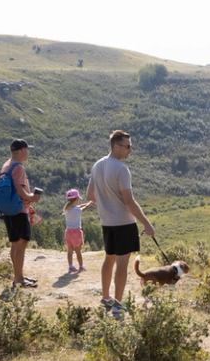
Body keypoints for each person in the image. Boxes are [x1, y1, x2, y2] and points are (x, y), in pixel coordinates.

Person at [86, 129, 155, 316]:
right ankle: (117, 305)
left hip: (106, 222)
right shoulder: (122, 169)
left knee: (109, 259)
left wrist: (105, 202)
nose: (130, 150)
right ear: (116, 146)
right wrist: (146, 224)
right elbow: (129, 201)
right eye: (127, 146)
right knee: (122, 265)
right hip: (124, 223)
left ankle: (106, 297)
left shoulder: (97, 165)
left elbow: (90, 195)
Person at [0, 139, 39, 291]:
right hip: (19, 210)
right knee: (22, 244)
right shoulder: (18, 167)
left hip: (8, 210)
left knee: (15, 244)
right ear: (21, 151)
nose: (28, 153)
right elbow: (22, 192)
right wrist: (33, 197)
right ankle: (19, 279)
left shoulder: (6, 165)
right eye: (26, 150)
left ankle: (17, 277)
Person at [61, 188, 92, 274]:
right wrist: (89, 204)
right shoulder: (77, 210)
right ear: (77, 199)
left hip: (68, 232)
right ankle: (81, 266)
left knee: (70, 251)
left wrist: (86, 203)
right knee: (78, 251)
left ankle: (70, 266)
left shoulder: (66, 209)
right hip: (76, 232)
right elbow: (83, 207)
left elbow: (78, 206)